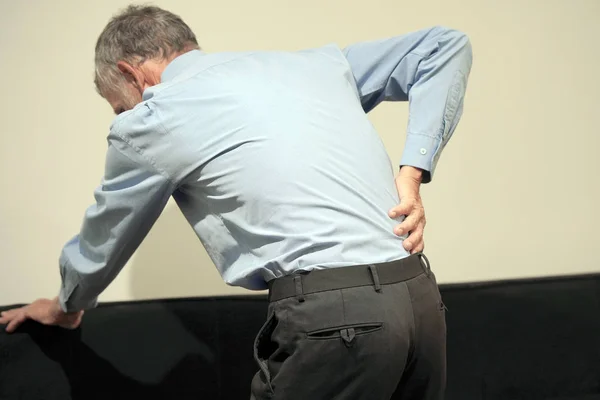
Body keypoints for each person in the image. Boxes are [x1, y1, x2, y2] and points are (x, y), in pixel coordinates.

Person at [0, 5, 472, 399]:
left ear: (131, 72)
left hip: (336, 322)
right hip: (420, 300)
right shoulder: (311, 65)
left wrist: (66, 302)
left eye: (120, 105)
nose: (126, 118)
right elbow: (444, 45)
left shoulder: (156, 115)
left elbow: (107, 232)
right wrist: (413, 172)